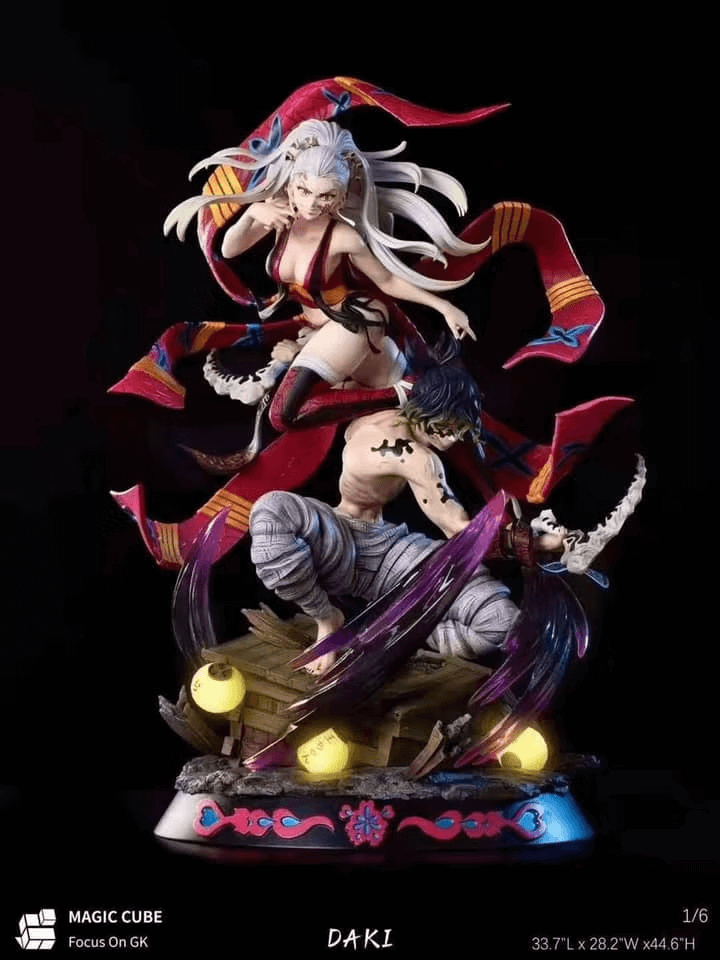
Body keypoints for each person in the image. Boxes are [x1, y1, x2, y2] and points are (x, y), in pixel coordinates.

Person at [163, 119, 486, 437]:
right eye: (304, 191)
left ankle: (408, 392)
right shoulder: (280, 216)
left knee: (284, 414)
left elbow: (387, 281)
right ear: (290, 185)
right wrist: (251, 214)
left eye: (326, 196)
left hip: (355, 319)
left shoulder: (344, 237)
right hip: (319, 327)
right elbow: (229, 250)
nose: (311, 205)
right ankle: (398, 389)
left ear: (341, 198)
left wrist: (443, 306)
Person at [248, 366, 567, 675]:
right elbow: (460, 531)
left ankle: (400, 633)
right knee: (271, 512)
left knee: (501, 621)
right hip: (337, 540)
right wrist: (540, 543)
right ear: (428, 410)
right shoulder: (418, 458)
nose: (453, 439)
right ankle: (327, 619)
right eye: (449, 427)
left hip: (389, 552)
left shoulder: (381, 406)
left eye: (460, 429)